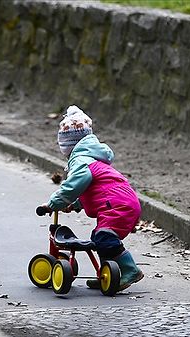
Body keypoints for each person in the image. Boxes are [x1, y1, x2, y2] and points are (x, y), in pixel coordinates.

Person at [39, 105, 144, 291]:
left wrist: (54, 203)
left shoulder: (80, 160)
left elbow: (77, 183)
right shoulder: (93, 159)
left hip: (117, 204)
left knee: (103, 237)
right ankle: (107, 274)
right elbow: (96, 189)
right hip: (122, 201)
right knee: (101, 236)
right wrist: (75, 204)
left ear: (68, 145)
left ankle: (130, 270)